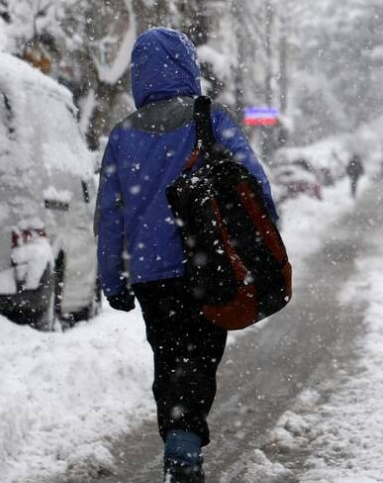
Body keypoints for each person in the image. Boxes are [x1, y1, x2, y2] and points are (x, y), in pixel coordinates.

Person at [95, 28, 277, 483]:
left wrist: (112, 278)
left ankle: (178, 435)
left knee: (167, 354)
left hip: (151, 275)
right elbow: (252, 182)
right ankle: (183, 443)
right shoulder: (208, 118)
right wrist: (264, 236)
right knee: (200, 356)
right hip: (207, 261)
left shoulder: (121, 136)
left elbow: (110, 214)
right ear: (186, 67)